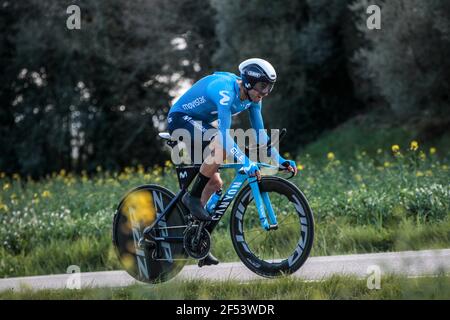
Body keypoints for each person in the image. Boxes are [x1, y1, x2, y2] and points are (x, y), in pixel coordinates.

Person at [167, 58, 298, 267]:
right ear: (248, 82)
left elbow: (261, 135)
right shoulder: (225, 91)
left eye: (269, 88)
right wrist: (246, 162)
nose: (265, 92)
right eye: (262, 86)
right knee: (220, 145)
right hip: (181, 119)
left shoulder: (254, 98)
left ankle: (195, 239)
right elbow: (224, 135)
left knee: (215, 184)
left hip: (200, 124)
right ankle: (191, 198)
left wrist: (280, 160)